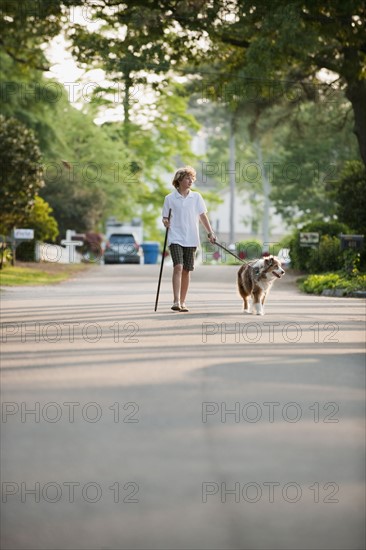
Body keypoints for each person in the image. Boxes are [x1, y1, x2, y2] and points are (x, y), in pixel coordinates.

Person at [162, 166, 216, 312]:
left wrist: (210, 232)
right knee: (178, 266)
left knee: (186, 270)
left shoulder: (196, 197)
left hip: (191, 238)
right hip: (175, 237)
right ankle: (176, 300)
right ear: (179, 180)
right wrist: (166, 222)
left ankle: (183, 302)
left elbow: (203, 216)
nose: (191, 180)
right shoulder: (169, 198)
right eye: (187, 178)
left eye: (192, 178)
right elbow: (165, 218)